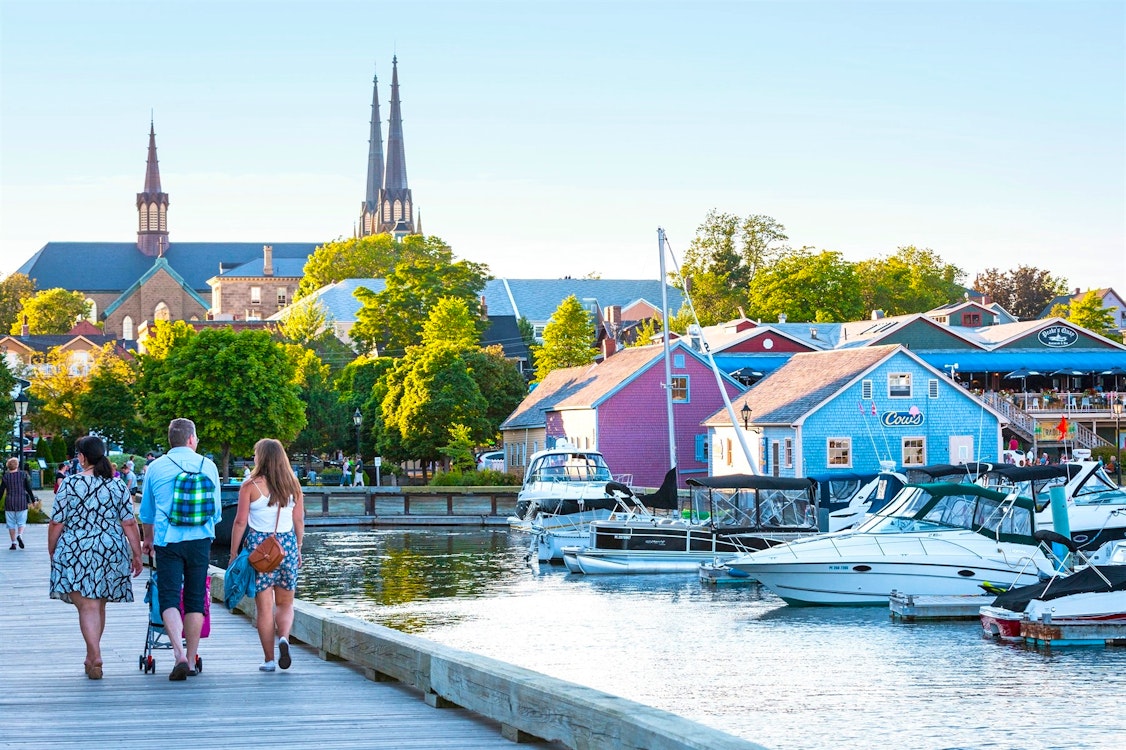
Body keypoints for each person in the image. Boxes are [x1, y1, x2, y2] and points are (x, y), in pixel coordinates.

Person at [48, 436, 143, 679]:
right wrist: (137, 553)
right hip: (110, 548)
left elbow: (57, 521)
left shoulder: (70, 484)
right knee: (98, 604)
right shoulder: (118, 485)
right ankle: (91, 657)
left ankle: (95, 653)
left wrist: (53, 550)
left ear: (82, 457)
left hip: (77, 548)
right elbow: (129, 522)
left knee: (88, 606)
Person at [139, 418, 221, 681]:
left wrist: (148, 540)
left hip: (168, 540)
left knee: (169, 596)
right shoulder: (207, 465)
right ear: (191, 439)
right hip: (200, 541)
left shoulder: (155, 467)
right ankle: (193, 657)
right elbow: (216, 512)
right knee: (196, 598)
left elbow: (147, 513)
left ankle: (179, 656)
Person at [228, 438, 305, 672]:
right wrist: (299, 547)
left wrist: (233, 553)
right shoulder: (293, 484)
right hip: (287, 548)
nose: (253, 457)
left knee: (264, 608)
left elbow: (240, 521)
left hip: (260, 551)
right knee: (285, 603)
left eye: (255, 454)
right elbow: (299, 520)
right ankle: (284, 638)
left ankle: (269, 660)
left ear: (261, 457)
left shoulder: (250, 485)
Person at [2, 457, 38, 550]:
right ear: (17, 465)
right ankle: (20, 535)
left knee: (11, 524)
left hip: (9, 502)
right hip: (21, 501)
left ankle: (13, 543)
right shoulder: (23, 475)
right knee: (21, 522)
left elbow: (1, 491)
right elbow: (28, 488)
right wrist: (33, 500)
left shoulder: (5, 476)